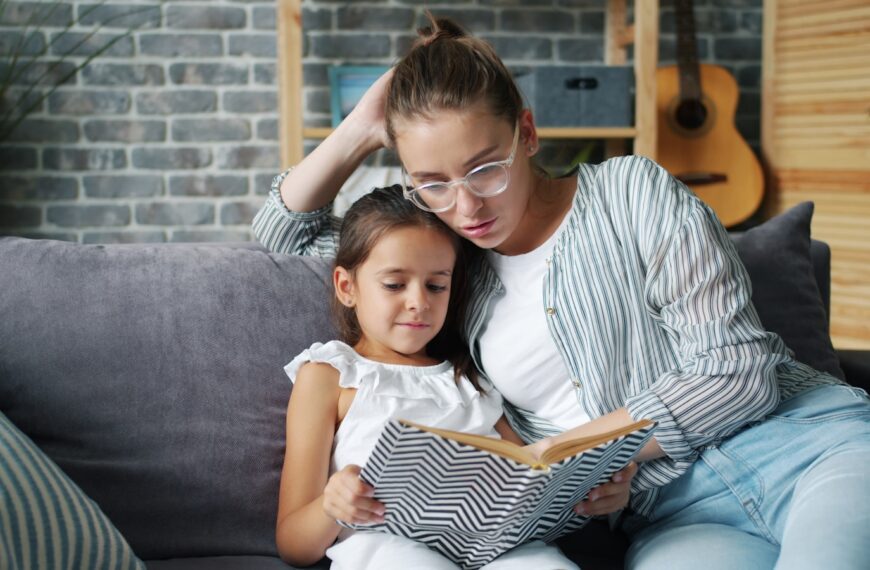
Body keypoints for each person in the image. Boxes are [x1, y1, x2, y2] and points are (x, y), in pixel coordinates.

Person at [259, 14, 870, 570]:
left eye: (485, 167)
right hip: (674, 518)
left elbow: (740, 369)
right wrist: (362, 131)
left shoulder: (630, 191)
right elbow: (283, 233)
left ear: (527, 133)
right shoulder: (448, 268)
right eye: (433, 183)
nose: (466, 206)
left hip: (806, 447)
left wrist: (570, 453)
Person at [275, 185, 629, 569]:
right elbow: (293, 544)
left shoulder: (469, 381)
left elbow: (527, 478)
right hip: (386, 546)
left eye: (436, 285)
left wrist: (593, 495)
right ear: (347, 287)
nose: (419, 302)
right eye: (394, 285)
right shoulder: (330, 375)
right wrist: (333, 504)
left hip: (494, 550)